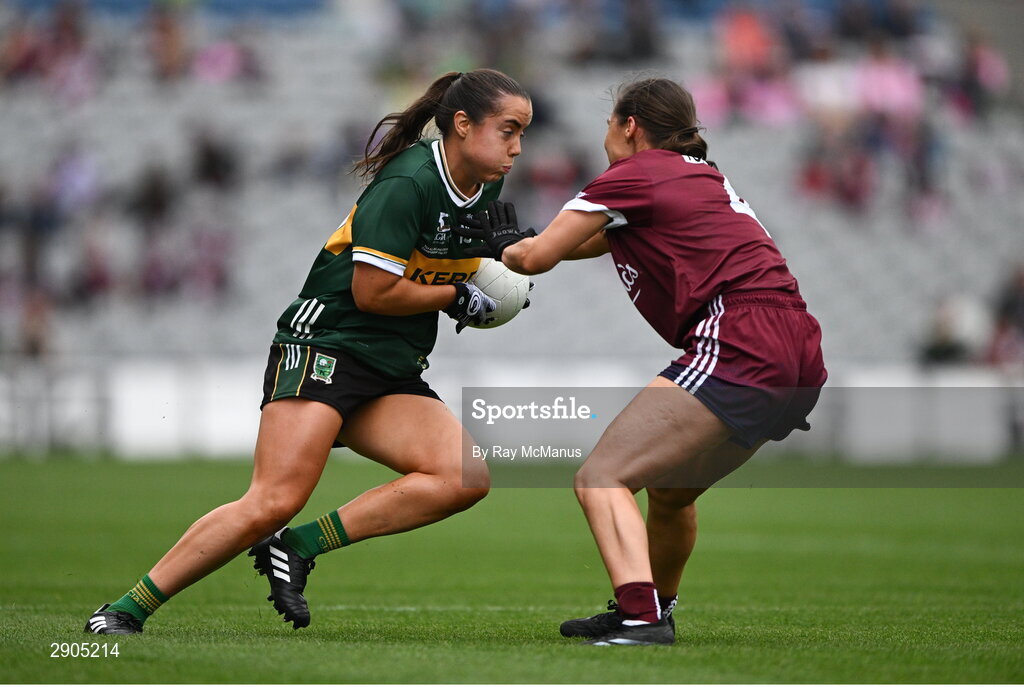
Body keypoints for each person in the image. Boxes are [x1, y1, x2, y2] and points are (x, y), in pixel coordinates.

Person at [85, 69, 532, 635]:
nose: (518, 147)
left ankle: (296, 548)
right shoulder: (408, 183)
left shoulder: (483, 184)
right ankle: (125, 610)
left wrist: (510, 258)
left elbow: (455, 254)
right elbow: (372, 293)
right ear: (463, 125)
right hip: (328, 343)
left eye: (523, 133)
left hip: (391, 364)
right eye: (509, 130)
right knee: (272, 500)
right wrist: (457, 294)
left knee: (463, 477)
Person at [459, 77, 826, 646]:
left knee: (601, 477)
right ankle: (656, 603)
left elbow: (535, 257)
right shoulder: (698, 177)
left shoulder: (633, 175)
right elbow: (582, 244)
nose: (605, 134)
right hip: (796, 347)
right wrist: (524, 245)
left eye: (610, 123)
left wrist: (503, 248)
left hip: (741, 336)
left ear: (629, 126)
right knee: (672, 491)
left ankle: (642, 617)